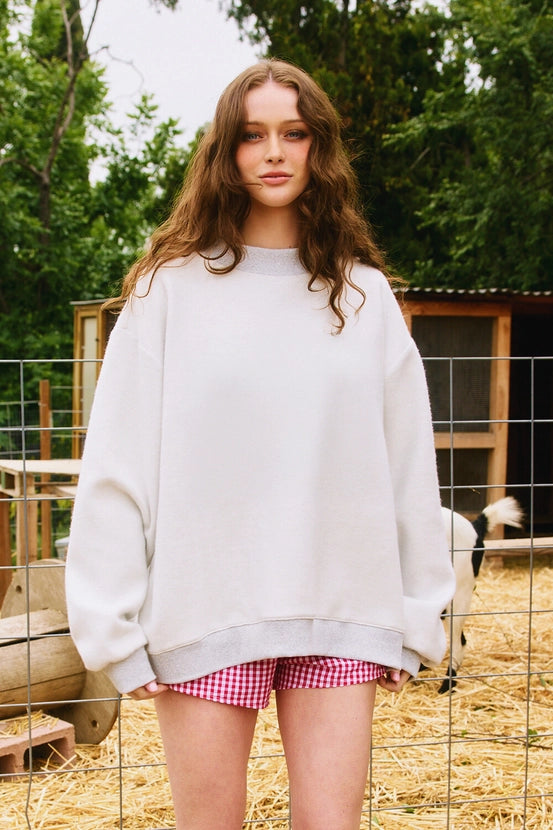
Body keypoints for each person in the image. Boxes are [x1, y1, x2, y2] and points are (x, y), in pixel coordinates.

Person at [66, 59, 455, 830]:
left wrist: (416, 616)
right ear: (225, 151)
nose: (273, 152)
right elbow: (117, 465)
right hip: (205, 613)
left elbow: (408, 465)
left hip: (341, 613)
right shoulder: (168, 291)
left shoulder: (364, 297)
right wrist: (112, 627)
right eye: (252, 135)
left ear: (319, 148)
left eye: (293, 133)